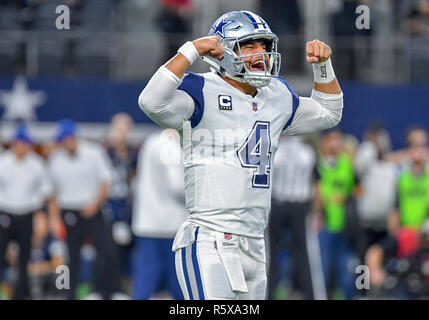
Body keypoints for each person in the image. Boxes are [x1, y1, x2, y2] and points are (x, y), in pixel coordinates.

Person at [138, 10, 344, 300]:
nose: (261, 53)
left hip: (256, 243)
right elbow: (151, 102)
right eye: (249, 45)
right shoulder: (201, 88)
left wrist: (323, 67)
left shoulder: (278, 94)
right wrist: (191, 49)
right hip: (210, 239)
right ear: (222, 51)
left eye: (264, 45)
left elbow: (328, 113)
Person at [47, 119, 121, 300]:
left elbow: (106, 180)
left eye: (67, 138)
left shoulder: (93, 152)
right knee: (67, 255)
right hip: (68, 211)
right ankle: (66, 292)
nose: (66, 143)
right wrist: (54, 218)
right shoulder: (55, 159)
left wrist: (95, 203)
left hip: (93, 209)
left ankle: (104, 291)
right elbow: (52, 192)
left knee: (105, 251)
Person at [132, 129, 186, 300]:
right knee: (179, 284)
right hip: (169, 225)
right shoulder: (170, 144)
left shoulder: (151, 140)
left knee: (144, 283)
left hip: (147, 223)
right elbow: (177, 185)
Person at [0, 124, 53, 299]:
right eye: (19, 143)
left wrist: (40, 215)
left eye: (26, 143)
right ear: (14, 144)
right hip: (5, 214)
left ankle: (21, 294)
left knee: (25, 257)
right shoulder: (3, 162)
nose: (22, 147)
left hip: (27, 215)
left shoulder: (36, 163)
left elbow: (45, 191)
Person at [268, 136, 324, 300]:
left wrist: (317, 211)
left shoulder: (302, 151)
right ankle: (310, 294)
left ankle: (308, 293)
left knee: (302, 253)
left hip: (286, 204)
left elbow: (315, 182)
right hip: (290, 205)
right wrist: (317, 211)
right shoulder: (306, 151)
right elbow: (316, 184)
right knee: (301, 253)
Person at [314, 128, 361, 300]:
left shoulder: (347, 164)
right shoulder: (316, 163)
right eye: (331, 139)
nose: (335, 143)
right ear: (323, 142)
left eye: (338, 139)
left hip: (345, 225)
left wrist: (347, 199)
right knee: (322, 267)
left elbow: (357, 189)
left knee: (345, 267)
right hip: (323, 224)